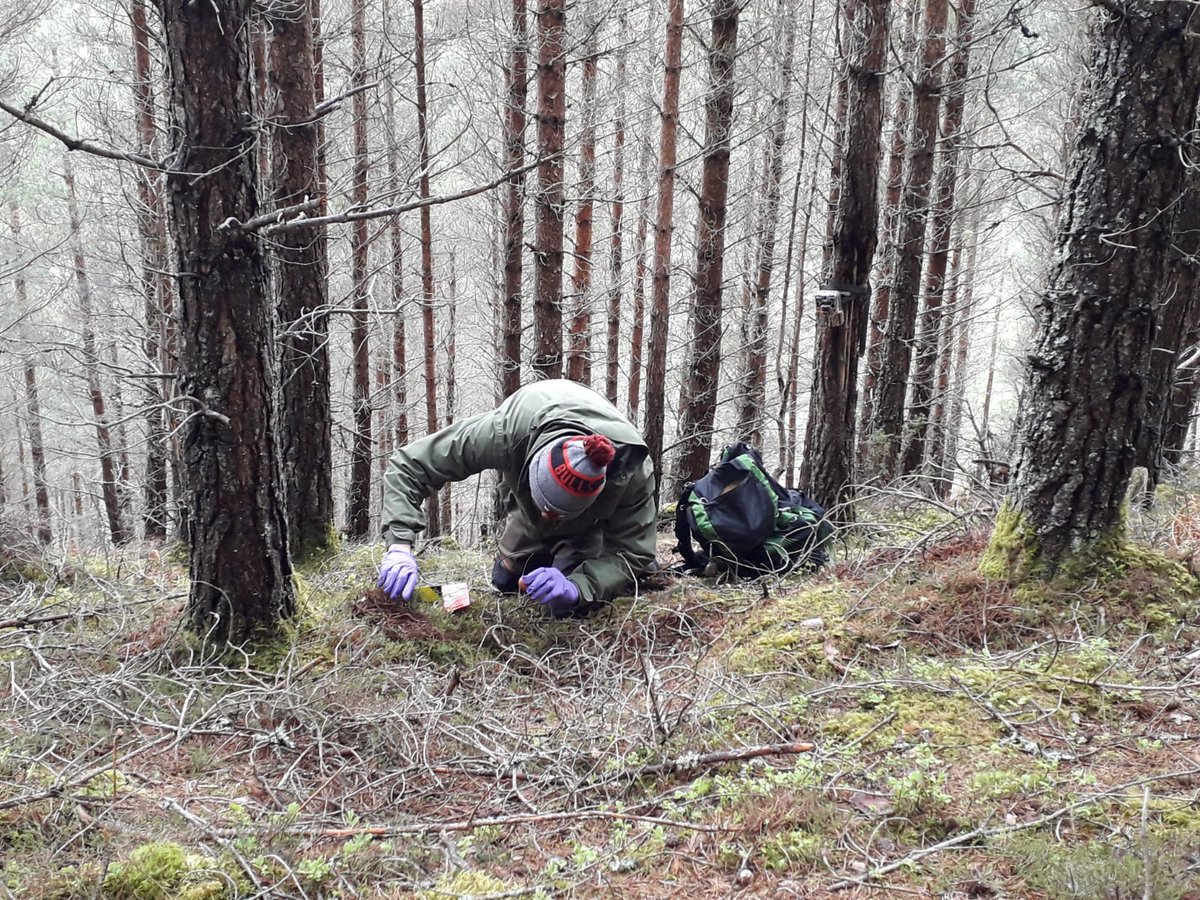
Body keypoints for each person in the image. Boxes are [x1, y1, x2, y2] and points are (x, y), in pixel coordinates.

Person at [376, 379, 658, 617]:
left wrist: (577, 588)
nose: (552, 517)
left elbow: (632, 552)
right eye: (548, 505)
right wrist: (399, 545)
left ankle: (575, 550)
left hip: (588, 527)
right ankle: (543, 543)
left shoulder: (631, 470)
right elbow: (411, 465)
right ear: (531, 470)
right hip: (528, 509)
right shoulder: (505, 434)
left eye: (560, 512)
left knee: (563, 608)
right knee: (505, 580)